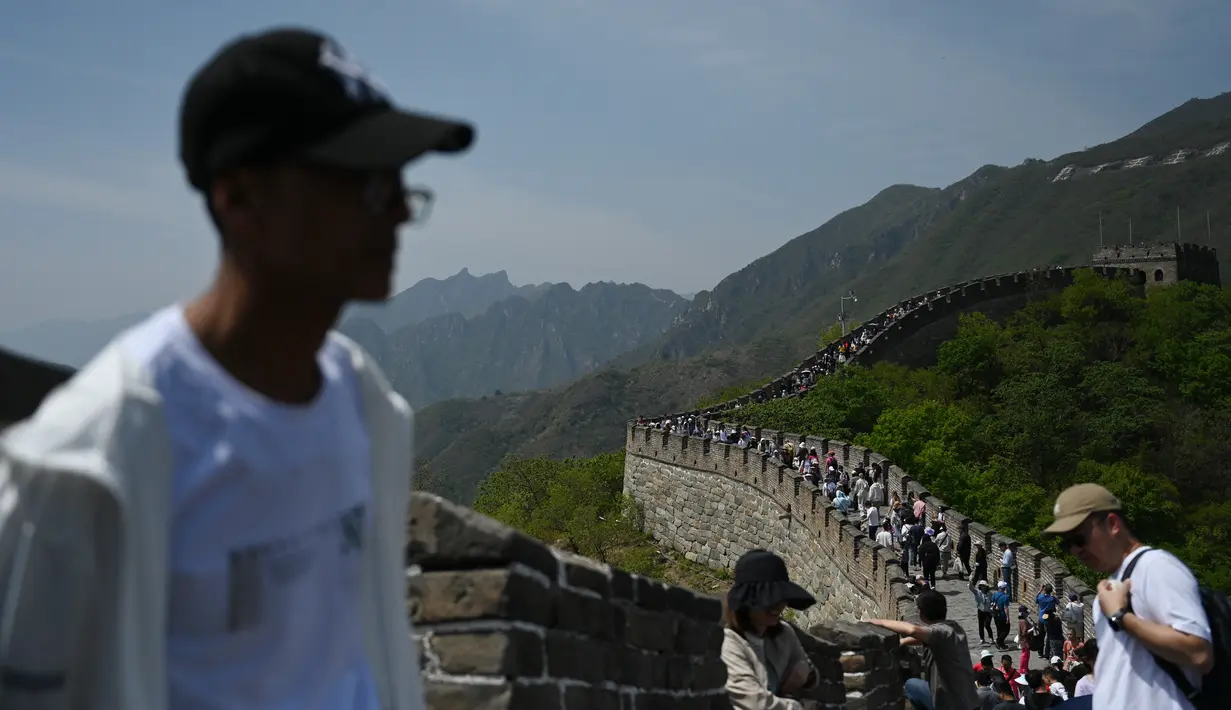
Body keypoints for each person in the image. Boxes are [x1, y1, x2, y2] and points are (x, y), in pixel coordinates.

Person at [0, 26, 475, 710]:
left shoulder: (362, 404)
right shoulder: (91, 456)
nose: (400, 210)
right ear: (240, 199)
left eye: (399, 184)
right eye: (364, 185)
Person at [1042, 483, 1213, 710]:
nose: (1075, 550)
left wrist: (1122, 616)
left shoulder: (1155, 567)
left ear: (1112, 524)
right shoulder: (1112, 586)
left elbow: (1199, 654)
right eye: (1067, 544)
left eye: (1079, 539)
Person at [720, 549, 822, 710]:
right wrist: (798, 707)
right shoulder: (730, 644)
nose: (778, 606)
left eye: (780, 598)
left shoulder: (784, 634)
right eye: (768, 600)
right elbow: (754, 703)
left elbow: (808, 671)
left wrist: (805, 674)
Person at [866, 590, 981, 710]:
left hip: (952, 704)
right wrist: (902, 642)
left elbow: (913, 631)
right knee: (915, 684)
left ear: (921, 614)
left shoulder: (940, 632)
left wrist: (878, 622)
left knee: (911, 685)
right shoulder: (954, 627)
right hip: (971, 701)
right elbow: (924, 637)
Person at [991, 581, 1012, 650]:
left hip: (995, 615)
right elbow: (1006, 608)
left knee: (999, 629)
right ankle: (999, 641)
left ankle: (1001, 645)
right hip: (1002, 616)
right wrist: (1008, 618)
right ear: (1004, 588)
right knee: (1006, 630)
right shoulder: (1005, 597)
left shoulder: (994, 595)